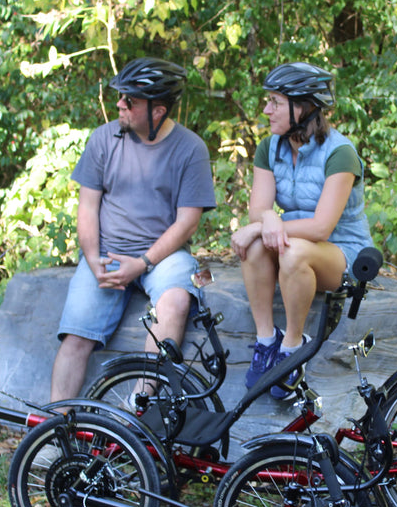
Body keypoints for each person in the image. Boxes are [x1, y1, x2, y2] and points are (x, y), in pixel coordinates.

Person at [50, 57, 216, 405]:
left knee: (175, 300)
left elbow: (187, 222)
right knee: (75, 338)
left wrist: (141, 263)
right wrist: (93, 259)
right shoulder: (103, 139)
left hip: (164, 257)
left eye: (130, 100)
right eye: (122, 97)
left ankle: (137, 412)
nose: (120, 104)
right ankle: (54, 429)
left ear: (158, 111)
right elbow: (88, 207)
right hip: (107, 253)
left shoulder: (191, 149)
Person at [230, 62, 374, 399]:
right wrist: (265, 222)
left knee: (290, 251)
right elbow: (259, 208)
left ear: (305, 107)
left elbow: (322, 226)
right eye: (268, 101)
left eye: (276, 102)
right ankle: (266, 341)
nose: (267, 110)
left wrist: (269, 223)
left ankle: (293, 348)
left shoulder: (340, 154)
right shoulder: (270, 148)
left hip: (340, 251)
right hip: (292, 241)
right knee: (253, 247)